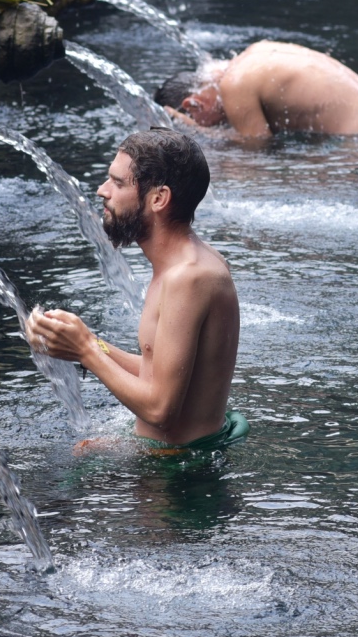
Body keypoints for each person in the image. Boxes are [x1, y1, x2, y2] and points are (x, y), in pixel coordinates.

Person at [29, 129, 244, 451]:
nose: (102, 191)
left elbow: (161, 410)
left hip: (176, 473)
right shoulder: (191, 263)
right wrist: (82, 344)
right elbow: (158, 372)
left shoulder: (188, 278)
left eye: (118, 183)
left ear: (158, 199)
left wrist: (86, 349)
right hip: (175, 455)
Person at [154, 41, 358, 139]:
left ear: (193, 104)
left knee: (239, 172)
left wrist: (198, 131)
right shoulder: (255, 51)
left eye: (198, 119)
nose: (214, 124)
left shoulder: (234, 85)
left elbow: (256, 147)